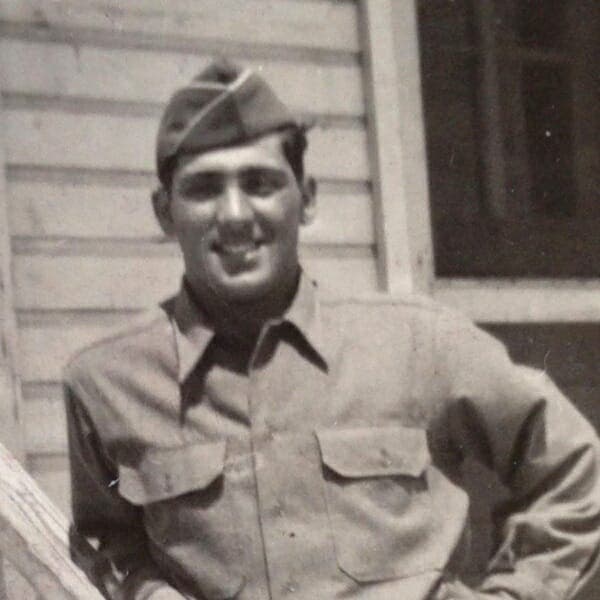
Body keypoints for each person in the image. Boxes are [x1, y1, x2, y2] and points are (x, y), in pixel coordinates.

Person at [64, 60, 600, 600]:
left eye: (260, 184)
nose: (234, 215)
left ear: (308, 198)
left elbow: (578, 472)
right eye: (204, 189)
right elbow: (109, 542)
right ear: (165, 211)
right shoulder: (108, 382)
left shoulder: (419, 343)